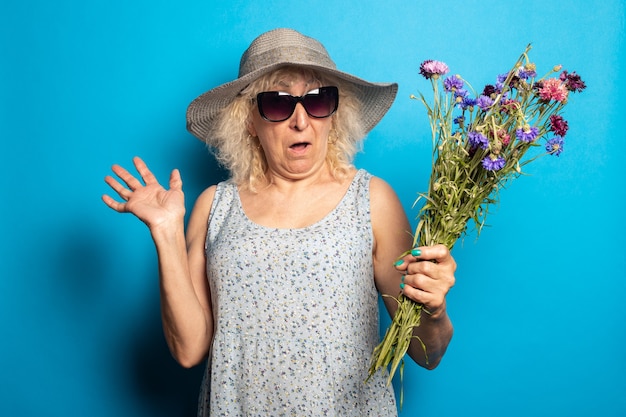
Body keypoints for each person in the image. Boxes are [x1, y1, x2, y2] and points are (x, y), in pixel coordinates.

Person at [103, 28, 455, 416]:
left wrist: (434, 310)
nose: (300, 120)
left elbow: (428, 353)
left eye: (318, 100)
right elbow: (188, 350)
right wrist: (167, 232)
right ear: (249, 121)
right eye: (277, 103)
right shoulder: (214, 206)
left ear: (335, 115)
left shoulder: (371, 200)